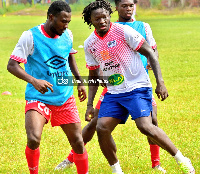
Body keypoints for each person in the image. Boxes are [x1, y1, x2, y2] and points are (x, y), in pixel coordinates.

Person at [83, 0, 195, 174]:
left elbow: (150, 52)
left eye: (105, 17)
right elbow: (93, 74)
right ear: (90, 20)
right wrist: (90, 104)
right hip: (114, 91)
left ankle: (181, 159)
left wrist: (160, 82)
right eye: (97, 19)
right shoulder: (90, 43)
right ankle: (116, 170)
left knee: (146, 126)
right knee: (102, 127)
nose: (102, 21)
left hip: (137, 87)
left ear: (109, 15)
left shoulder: (124, 31)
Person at [55, 0, 166, 173]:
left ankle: (156, 163)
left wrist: (153, 67)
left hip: (139, 84)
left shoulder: (143, 26)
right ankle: (71, 158)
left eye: (131, 5)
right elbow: (96, 67)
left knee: (152, 122)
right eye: (124, 5)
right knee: (95, 123)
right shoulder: (108, 26)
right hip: (113, 86)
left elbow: (153, 49)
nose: (128, 8)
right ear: (116, 8)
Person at [7, 1, 89, 174]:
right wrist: (34, 81)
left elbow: (69, 57)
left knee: (78, 142)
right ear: (51, 17)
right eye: (63, 21)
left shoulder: (67, 35)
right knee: (33, 138)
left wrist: (80, 81)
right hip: (38, 97)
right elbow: (12, 65)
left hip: (64, 96)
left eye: (68, 22)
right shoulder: (30, 36)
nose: (66, 26)